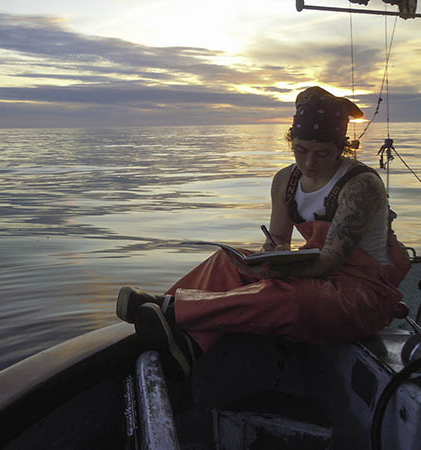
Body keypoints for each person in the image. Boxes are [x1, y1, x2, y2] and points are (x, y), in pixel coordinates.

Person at [115, 86, 412, 380]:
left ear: (342, 146)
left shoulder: (361, 185)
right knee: (227, 261)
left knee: (293, 297)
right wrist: (273, 254)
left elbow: (333, 258)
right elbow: (278, 238)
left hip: (362, 293)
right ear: (291, 140)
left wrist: (280, 272)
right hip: (319, 274)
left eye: (323, 154)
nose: (309, 163)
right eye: (301, 150)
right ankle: (186, 342)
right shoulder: (286, 180)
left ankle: (170, 310)